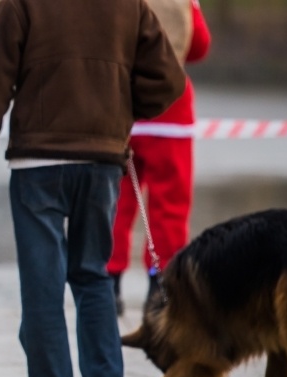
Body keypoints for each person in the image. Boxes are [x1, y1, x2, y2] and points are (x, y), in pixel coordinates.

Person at [0, 0, 187, 377]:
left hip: (37, 164)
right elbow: (169, 79)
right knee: (93, 272)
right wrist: (114, 110)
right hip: (101, 162)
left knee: (43, 284)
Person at [109, 0, 212, 315]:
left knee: (117, 200)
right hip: (171, 111)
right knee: (170, 205)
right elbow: (199, 47)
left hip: (123, 107)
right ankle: (161, 282)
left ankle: (109, 280)